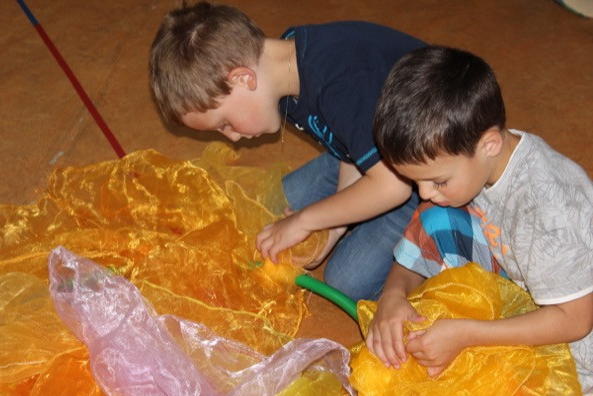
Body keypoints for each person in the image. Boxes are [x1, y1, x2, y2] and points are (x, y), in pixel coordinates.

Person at [149, 1, 425, 301]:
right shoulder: (283, 67)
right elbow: (346, 146)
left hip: (421, 175)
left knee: (346, 280)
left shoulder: (338, 84)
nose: (231, 137)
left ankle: (433, 248)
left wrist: (307, 220)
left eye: (225, 123)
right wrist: (332, 230)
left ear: (243, 79)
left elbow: (394, 186)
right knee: (271, 207)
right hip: (375, 150)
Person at [366, 45, 593, 396]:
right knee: (436, 217)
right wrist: (392, 296)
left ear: (489, 144)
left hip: (579, 342)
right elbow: (428, 227)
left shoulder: (548, 207)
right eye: (416, 182)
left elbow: (576, 320)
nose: (425, 192)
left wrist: (468, 334)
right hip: (527, 281)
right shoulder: (478, 159)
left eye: (438, 181)